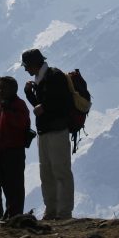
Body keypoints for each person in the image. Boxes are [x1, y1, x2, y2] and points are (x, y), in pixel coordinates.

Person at [21, 48, 75, 220]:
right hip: (45, 131)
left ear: (34, 64)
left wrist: (43, 106)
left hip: (57, 130)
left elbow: (59, 102)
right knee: (47, 173)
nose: (25, 69)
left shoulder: (54, 76)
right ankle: (51, 210)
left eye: (27, 65)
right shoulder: (42, 79)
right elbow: (40, 107)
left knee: (60, 171)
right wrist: (30, 94)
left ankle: (64, 212)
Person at [0, 76, 30, 219]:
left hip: (13, 152)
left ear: (13, 89)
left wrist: (6, 109)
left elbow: (21, 124)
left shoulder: (18, 105)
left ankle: (15, 216)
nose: (0, 91)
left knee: (13, 187)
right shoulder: (1, 106)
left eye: (3, 88)